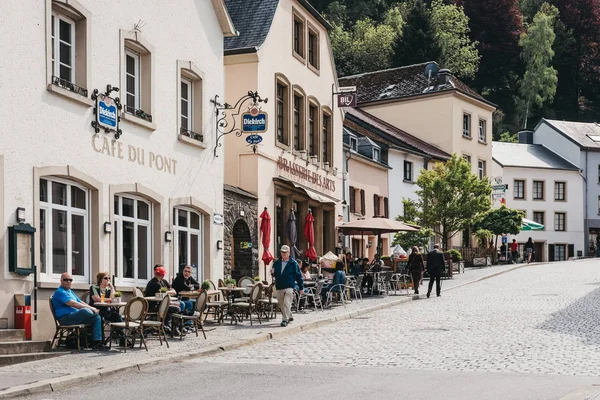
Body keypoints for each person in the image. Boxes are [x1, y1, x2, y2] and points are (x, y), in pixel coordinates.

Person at [52, 273, 105, 350]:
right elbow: (73, 304)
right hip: (65, 318)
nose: (68, 282)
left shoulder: (70, 291)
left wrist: (92, 307)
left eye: (70, 280)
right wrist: (92, 309)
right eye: (66, 280)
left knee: (96, 317)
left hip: (75, 316)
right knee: (85, 311)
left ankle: (96, 342)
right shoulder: (60, 292)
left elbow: (80, 302)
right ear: (61, 281)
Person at [271, 245, 303, 327]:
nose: (283, 254)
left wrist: (301, 287)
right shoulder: (277, 262)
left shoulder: (293, 263)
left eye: (285, 252)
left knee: (287, 303)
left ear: (289, 253)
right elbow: (274, 274)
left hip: (289, 286)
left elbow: (299, 276)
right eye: (282, 252)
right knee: (281, 304)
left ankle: (285, 320)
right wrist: (272, 273)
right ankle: (290, 315)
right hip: (279, 286)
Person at [145, 266, 182, 335]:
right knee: (177, 309)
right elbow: (162, 298)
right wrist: (171, 303)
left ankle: (168, 327)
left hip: (153, 305)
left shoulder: (155, 282)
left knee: (171, 309)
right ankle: (171, 327)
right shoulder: (156, 284)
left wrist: (170, 303)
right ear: (162, 275)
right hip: (154, 306)